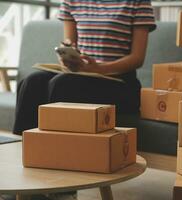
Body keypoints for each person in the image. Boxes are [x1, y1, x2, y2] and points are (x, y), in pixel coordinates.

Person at [13, 0, 156, 135]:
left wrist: (99, 69)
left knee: (62, 84)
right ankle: (24, 150)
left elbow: (137, 58)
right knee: (31, 83)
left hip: (120, 83)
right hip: (82, 75)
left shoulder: (138, 2)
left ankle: (58, 151)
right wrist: (67, 56)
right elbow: (69, 43)